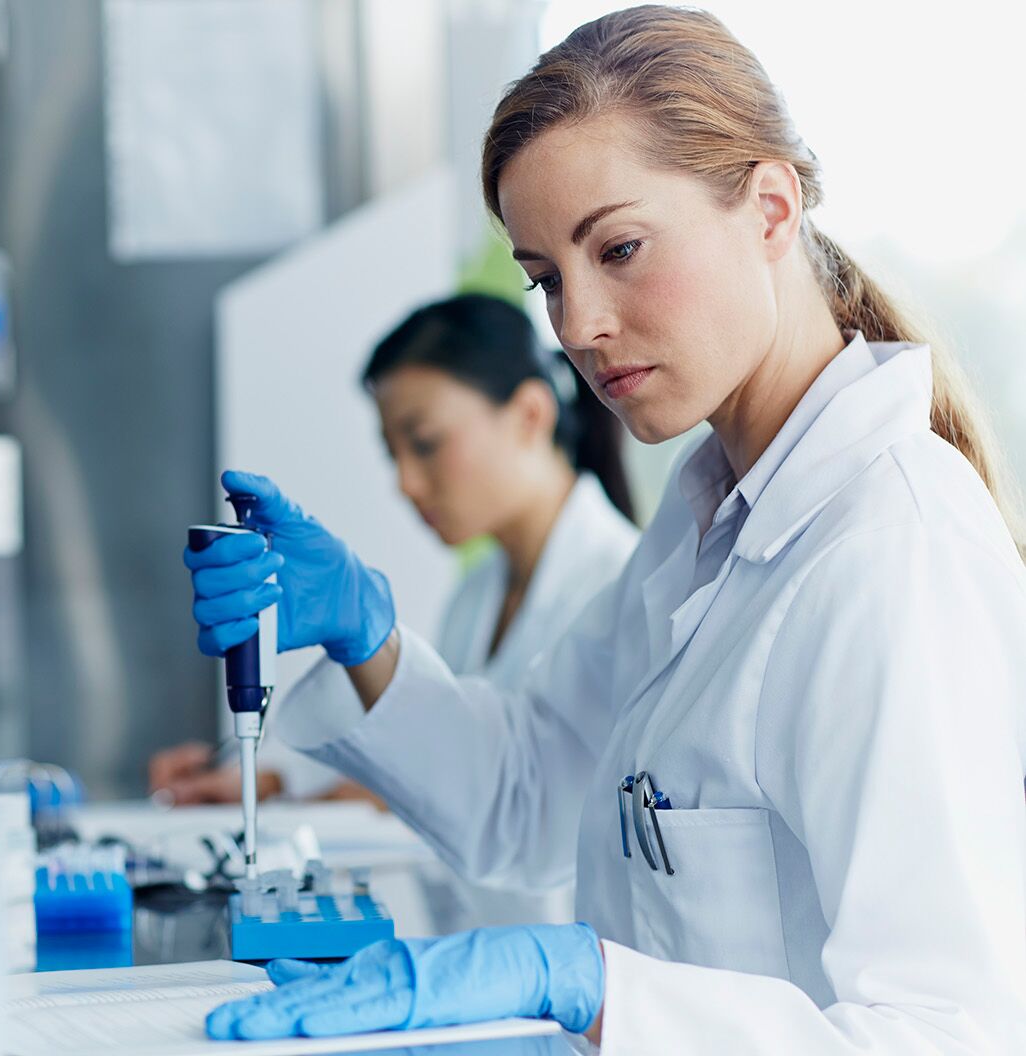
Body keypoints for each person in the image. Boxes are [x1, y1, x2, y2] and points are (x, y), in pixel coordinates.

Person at [183, 6, 1026, 1051]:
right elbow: (527, 794)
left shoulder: (892, 550)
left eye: (618, 248)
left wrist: (589, 984)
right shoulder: (706, 517)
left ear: (769, 209)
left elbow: (950, 1031)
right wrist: (369, 636)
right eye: (545, 278)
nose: (576, 325)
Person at [152, 295, 638, 854]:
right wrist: (267, 780)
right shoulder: (478, 594)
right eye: (394, 455)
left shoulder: (616, 582)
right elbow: (456, 773)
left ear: (531, 415)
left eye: (425, 444)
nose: (405, 483)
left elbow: (535, 808)